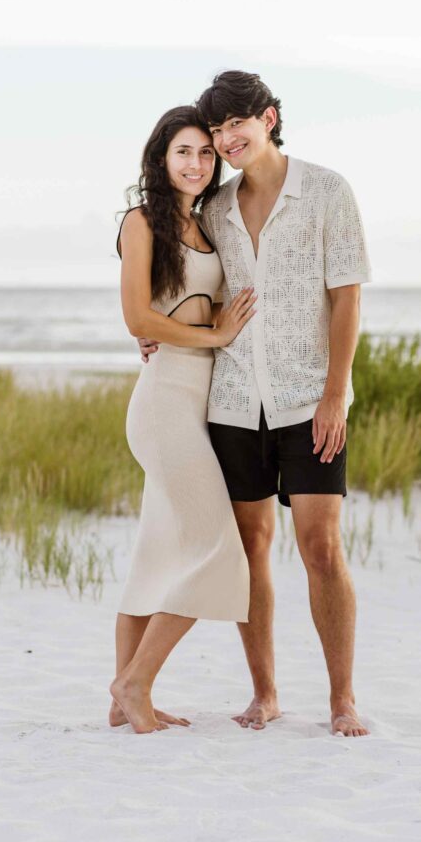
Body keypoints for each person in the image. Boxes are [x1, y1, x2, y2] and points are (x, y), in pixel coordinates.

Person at [139, 72, 372, 737]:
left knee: (321, 546)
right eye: (215, 131)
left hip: (308, 403)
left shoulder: (325, 190)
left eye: (236, 123)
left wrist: (334, 395)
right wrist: (157, 331)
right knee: (250, 548)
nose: (225, 139)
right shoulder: (213, 209)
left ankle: (341, 700)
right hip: (235, 401)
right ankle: (264, 693)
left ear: (268, 117)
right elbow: (194, 286)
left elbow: (347, 297)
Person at [109, 105, 255, 734]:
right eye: (183, 153)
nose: (196, 163)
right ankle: (135, 683)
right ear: (160, 159)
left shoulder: (207, 226)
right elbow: (139, 320)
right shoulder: (144, 222)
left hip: (198, 403)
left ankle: (121, 704)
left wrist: (213, 325)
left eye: (204, 153)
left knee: (157, 553)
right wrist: (214, 334)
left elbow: (193, 306)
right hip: (165, 401)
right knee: (220, 552)